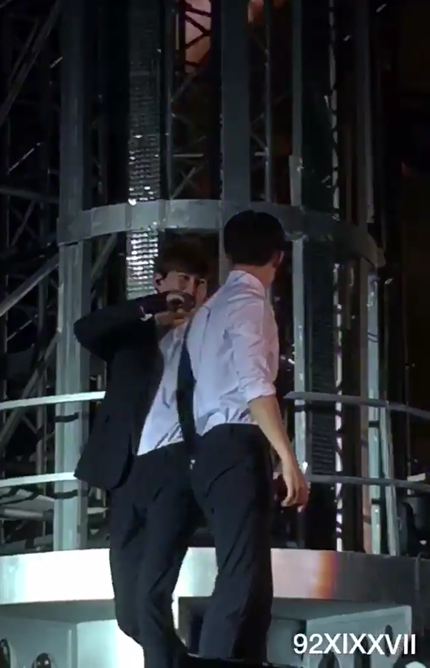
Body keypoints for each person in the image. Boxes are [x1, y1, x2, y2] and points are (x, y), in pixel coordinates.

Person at [73, 238, 210, 668]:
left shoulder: (208, 337)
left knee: (152, 596)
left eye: (200, 283)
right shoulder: (132, 337)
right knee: (130, 615)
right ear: (159, 282)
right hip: (127, 473)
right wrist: (149, 308)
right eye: (183, 280)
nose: (191, 290)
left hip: (176, 471)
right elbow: (85, 329)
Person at [181, 210, 309, 664]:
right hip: (237, 446)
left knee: (254, 588)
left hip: (211, 448)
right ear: (278, 257)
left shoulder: (207, 311)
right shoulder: (248, 303)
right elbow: (256, 385)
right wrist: (287, 458)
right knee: (240, 581)